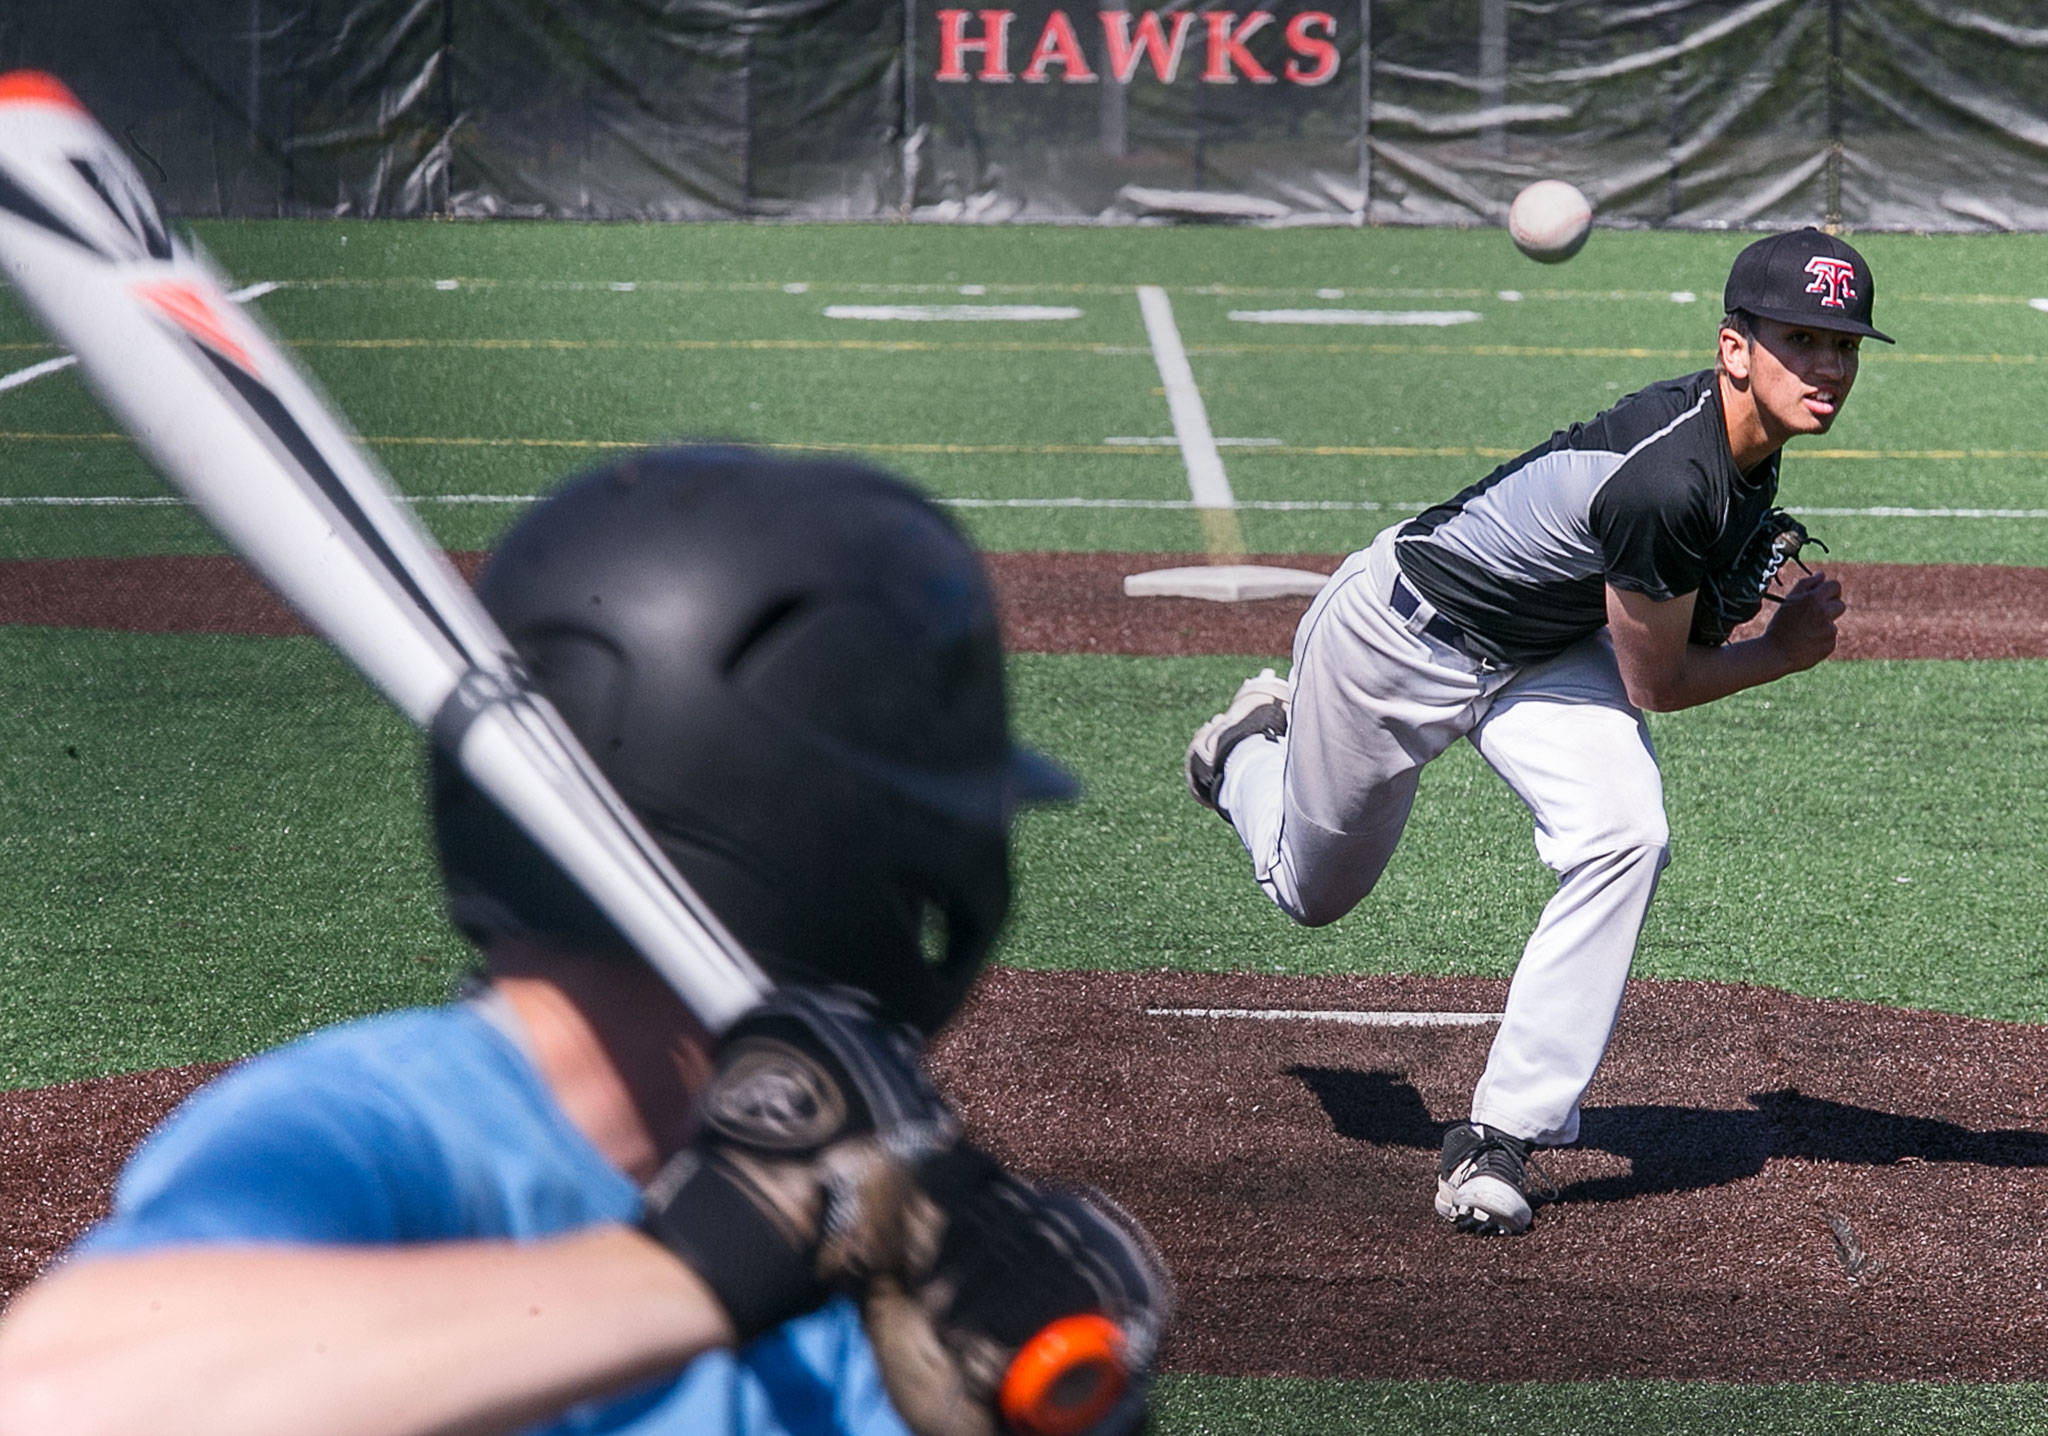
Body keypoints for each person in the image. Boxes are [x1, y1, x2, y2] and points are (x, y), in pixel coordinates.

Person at [0, 447, 1167, 1435]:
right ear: (840, 831)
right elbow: (58, 1391)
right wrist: (704, 1261)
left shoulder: (862, 1231)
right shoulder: (374, 1131)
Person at [1184, 228, 1884, 1236]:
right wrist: (1778, 650)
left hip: (1544, 650)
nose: (1826, 364)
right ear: (1733, 347)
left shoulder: (1744, 453)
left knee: (1621, 832)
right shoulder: (1668, 479)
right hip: (1398, 637)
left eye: (1843, 344)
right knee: (1309, 893)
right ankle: (1247, 746)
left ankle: (1498, 1133)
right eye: (1800, 338)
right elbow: (1659, 680)